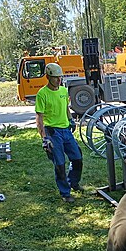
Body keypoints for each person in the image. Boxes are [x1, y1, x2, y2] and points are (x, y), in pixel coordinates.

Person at [35, 63, 83, 203]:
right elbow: (39, 117)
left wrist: (71, 120)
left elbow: (66, 108)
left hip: (66, 130)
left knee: (77, 158)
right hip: (53, 132)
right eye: (55, 78)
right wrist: (44, 137)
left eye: (60, 77)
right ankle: (65, 193)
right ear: (48, 77)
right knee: (60, 163)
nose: (58, 80)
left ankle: (73, 182)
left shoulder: (63, 91)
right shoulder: (42, 94)